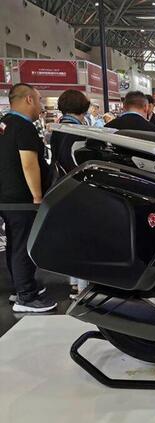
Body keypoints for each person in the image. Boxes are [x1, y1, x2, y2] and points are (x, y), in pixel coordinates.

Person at [0, 83, 56, 312]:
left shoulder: (4, 125)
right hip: (21, 198)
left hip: (7, 197)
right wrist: (37, 196)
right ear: (29, 99)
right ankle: (26, 297)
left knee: (15, 243)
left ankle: (21, 287)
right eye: (39, 99)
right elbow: (28, 163)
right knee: (23, 245)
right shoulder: (23, 127)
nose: (41, 105)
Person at [50, 89, 91, 176]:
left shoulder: (59, 129)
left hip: (58, 178)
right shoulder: (77, 131)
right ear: (83, 107)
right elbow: (73, 163)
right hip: (72, 179)